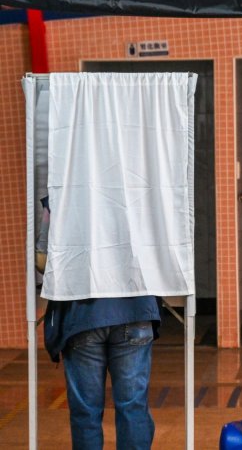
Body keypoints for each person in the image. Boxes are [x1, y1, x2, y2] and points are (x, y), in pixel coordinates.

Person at [42, 193, 161, 450]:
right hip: (135, 308)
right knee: (133, 406)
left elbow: (43, 260)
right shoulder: (144, 187)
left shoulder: (64, 190)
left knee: (86, 411)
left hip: (82, 313)